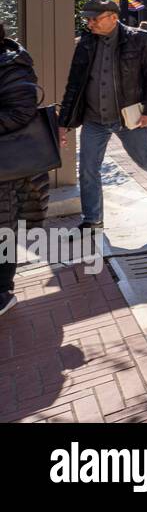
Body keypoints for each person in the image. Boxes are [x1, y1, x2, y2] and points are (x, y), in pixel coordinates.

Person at [57, 0, 147, 231]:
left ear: (113, 17)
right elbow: (74, 85)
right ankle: (93, 220)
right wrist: (64, 122)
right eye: (87, 19)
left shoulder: (141, 39)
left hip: (129, 116)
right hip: (94, 119)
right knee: (88, 168)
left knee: (145, 160)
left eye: (94, 19)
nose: (89, 23)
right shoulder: (85, 43)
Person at [0, 21, 44, 318]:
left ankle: (3, 291)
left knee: (3, 227)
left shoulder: (12, 65)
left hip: (6, 164)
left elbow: (21, 110)